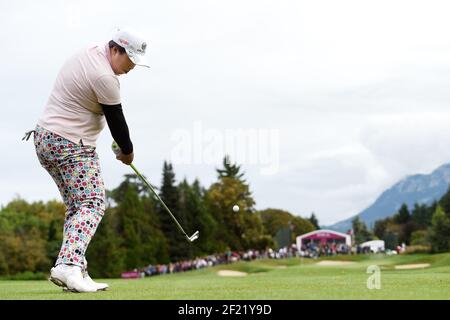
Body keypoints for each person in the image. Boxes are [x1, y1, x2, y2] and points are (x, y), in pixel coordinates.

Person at [23, 28, 150, 292]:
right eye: (130, 60)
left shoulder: (92, 51)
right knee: (92, 203)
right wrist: (127, 152)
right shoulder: (106, 76)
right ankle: (68, 265)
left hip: (46, 139)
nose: (132, 67)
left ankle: (78, 271)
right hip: (70, 144)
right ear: (116, 49)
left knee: (76, 207)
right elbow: (117, 122)